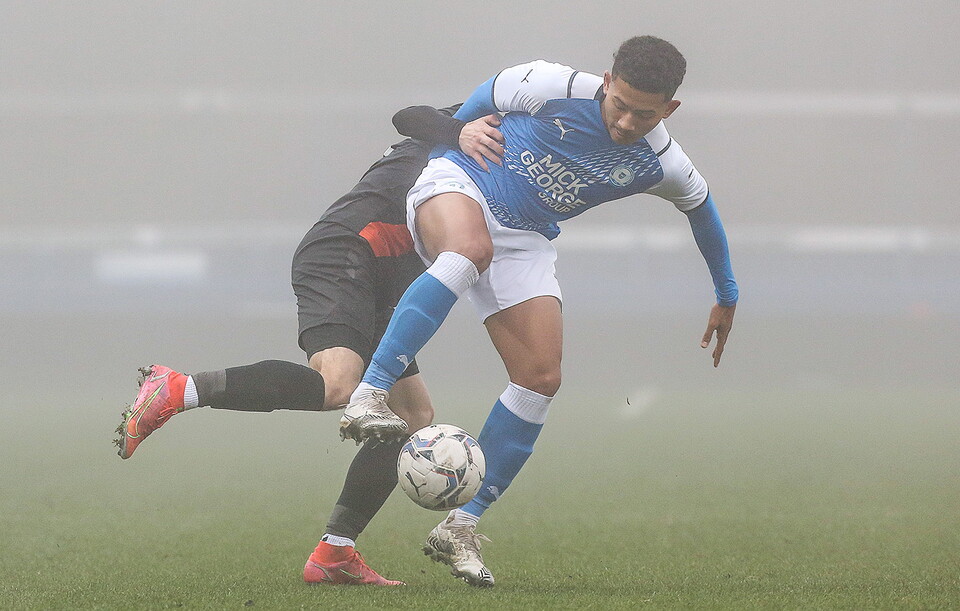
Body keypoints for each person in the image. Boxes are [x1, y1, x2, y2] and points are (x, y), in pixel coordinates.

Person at [339, 35, 739, 587]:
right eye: (619, 104)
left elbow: (703, 212)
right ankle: (370, 394)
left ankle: (461, 526)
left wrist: (727, 293)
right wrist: (459, 131)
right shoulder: (548, 83)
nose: (625, 122)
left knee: (541, 377)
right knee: (468, 250)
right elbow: (476, 103)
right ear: (606, 80)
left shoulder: (663, 163)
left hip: (524, 238)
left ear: (670, 109)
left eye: (643, 114)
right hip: (459, 184)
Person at [113, 106, 507, 586]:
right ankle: (180, 388)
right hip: (348, 248)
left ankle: (335, 553)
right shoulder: (488, 116)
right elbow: (407, 116)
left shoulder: (523, 160)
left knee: (411, 417)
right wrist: (462, 127)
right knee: (339, 388)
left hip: (393, 273)